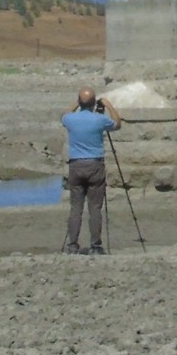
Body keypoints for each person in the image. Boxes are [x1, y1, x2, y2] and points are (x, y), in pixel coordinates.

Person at [61, 86, 121, 254]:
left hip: (76, 165)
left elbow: (63, 115)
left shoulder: (71, 119)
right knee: (95, 208)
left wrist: (77, 103)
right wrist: (108, 105)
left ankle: (72, 245)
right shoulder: (99, 120)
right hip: (95, 165)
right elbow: (117, 124)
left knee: (76, 208)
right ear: (94, 103)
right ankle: (96, 245)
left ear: (80, 103)